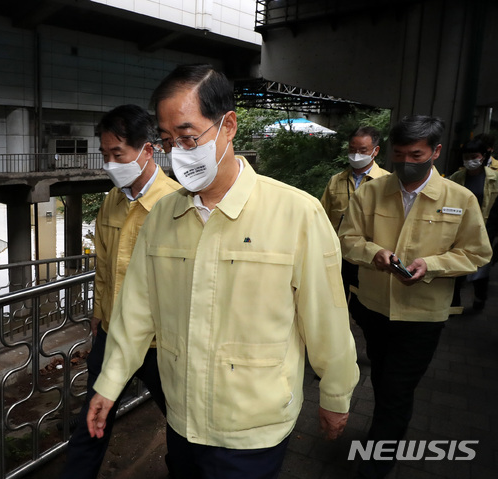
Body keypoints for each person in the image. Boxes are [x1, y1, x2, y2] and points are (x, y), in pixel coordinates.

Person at [86, 64, 359, 479]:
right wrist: (109, 383)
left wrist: (336, 393)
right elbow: (136, 311)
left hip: (253, 428)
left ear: (228, 125)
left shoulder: (296, 213)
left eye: (189, 136)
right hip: (182, 418)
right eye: (167, 140)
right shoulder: (163, 216)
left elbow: (327, 318)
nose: (178, 152)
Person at [339, 115, 493, 479]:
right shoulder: (371, 191)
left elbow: (477, 253)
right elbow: (348, 239)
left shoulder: (460, 199)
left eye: (417, 154)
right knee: (382, 379)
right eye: (400, 153)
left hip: (423, 315)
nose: (407, 162)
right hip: (375, 308)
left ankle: (377, 462)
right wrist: (375, 254)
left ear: (436, 152)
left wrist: (434, 264)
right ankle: (381, 433)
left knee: (397, 387)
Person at [60, 104, 180, 479]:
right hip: (112, 335)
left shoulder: (176, 204)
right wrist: (98, 314)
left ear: (148, 150)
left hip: (161, 343)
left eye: (118, 154)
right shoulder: (111, 201)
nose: (110, 164)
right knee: (93, 418)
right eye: (105, 154)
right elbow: (104, 267)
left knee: (180, 422)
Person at [321, 126, 389, 296]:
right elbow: (323, 216)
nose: (356, 154)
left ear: (375, 151)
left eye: (362, 150)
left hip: (369, 255)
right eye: (352, 149)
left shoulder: (387, 182)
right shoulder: (336, 180)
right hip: (339, 253)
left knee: (365, 301)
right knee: (336, 297)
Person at [448, 137, 498, 311]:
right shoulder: (456, 177)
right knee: (456, 269)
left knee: (481, 269)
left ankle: (479, 300)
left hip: (485, 230)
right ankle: (453, 305)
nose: (470, 161)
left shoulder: (494, 178)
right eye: (467, 157)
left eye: (474, 156)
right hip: (459, 230)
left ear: (483, 156)